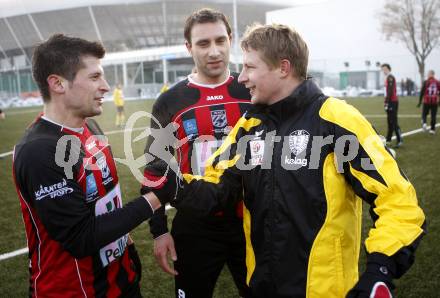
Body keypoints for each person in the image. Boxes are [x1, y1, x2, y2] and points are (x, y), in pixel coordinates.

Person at [146, 24, 426, 298]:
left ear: (283, 67)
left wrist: (380, 271)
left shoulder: (337, 119)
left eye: (250, 67)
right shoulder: (249, 126)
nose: (241, 77)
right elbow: (217, 187)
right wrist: (173, 184)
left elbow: (399, 201)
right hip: (262, 287)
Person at [12, 34, 170, 297]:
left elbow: (104, 200)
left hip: (120, 280)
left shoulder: (89, 126)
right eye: (95, 77)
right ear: (58, 83)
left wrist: (125, 245)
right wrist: (157, 198)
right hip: (76, 290)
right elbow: (80, 238)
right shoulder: (39, 151)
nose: (106, 86)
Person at [141, 8, 251, 298]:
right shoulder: (170, 101)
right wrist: (160, 230)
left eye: (220, 41)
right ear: (189, 47)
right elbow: (155, 169)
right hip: (195, 225)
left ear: (231, 40)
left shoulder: (253, 89)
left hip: (253, 221)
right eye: (203, 43)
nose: (213, 51)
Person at [381, 63, 403, 148]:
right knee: (389, 121)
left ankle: (400, 140)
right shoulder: (387, 78)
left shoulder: (390, 77)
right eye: (383, 69)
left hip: (392, 102)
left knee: (393, 121)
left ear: (389, 69)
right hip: (389, 101)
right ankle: (389, 140)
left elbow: (390, 91)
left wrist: (387, 102)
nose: (384, 70)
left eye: (385, 69)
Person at [418, 70, 440, 134]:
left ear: (431, 74)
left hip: (426, 101)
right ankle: (432, 130)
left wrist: (420, 101)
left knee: (424, 114)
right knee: (433, 115)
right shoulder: (438, 82)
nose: (427, 75)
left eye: (428, 74)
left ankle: (424, 123)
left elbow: (422, 92)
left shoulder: (426, 82)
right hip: (434, 101)